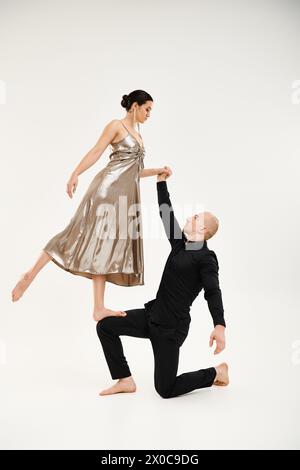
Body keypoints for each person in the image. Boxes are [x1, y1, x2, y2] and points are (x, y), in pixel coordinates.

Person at [11, 89, 171, 322]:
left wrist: (157, 171)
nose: (149, 114)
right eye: (147, 109)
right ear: (134, 106)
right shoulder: (116, 125)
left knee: (104, 249)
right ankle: (30, 274)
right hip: (105, 192)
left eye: (151, 111)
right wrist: (75, 174)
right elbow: (96, 151)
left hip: (124, 199)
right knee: (75, 235)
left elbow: (134, 172)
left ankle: (98, 308)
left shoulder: (139, 136)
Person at [96, 167, 229, 398]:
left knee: (165, 389)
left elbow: (213, 291)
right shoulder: (180, 244)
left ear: (203, 228)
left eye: (195, 217)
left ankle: (217, 372)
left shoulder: (206, 258)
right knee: (106, 326)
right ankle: (125, 379)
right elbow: (166, 213)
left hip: (171, 329)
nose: (189, 217)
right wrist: (161, 183)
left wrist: (219, 324)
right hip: (152, 316)